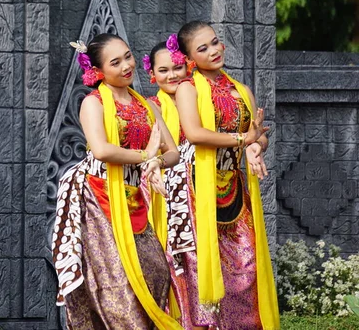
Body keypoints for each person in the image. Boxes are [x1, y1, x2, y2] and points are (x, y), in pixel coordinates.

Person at [51, 33, 182, 329]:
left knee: (155, 273)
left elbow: (172, 151)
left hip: (135, 200)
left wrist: (156, 161)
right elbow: (101, 150)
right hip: (99, 201)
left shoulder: (148, 107)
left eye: (127, 56)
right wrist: (144, 154)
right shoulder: (92, 103)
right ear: (97, 72)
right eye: (116, 62)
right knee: (117, 287)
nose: (126, 65)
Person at [172, 21, 279, 329]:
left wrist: (256, 147)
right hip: (198, 187)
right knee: (203, 264)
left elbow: (256, 135)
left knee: (247, 263)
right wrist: (242, 141)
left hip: (233, 184)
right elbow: (194, 133)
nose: (213, 51)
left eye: (215, 43)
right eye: (202, 48)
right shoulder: (187, 89)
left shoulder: (241, 90)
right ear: (190, 58)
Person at [144, 35, 196, 328]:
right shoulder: (152, 106)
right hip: (166, 196)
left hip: (202, 193)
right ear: (152, 76)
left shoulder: (202, 99)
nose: (172, 75)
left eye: (177, 67)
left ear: (188, 66)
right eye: (163, 70)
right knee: (171, 259)